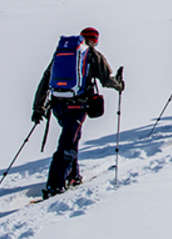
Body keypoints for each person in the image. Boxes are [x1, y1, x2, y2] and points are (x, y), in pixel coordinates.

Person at [32, 26, 124, 200]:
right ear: (95, 40)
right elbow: (106, 80)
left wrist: (38, 107)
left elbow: (45, 79)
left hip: (57, 105)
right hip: (77, 106)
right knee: (67, 143)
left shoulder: (62, 55)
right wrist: (120, 84)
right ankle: (55, 184)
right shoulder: (92, 55)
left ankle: (72, 176)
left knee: (71, 138)